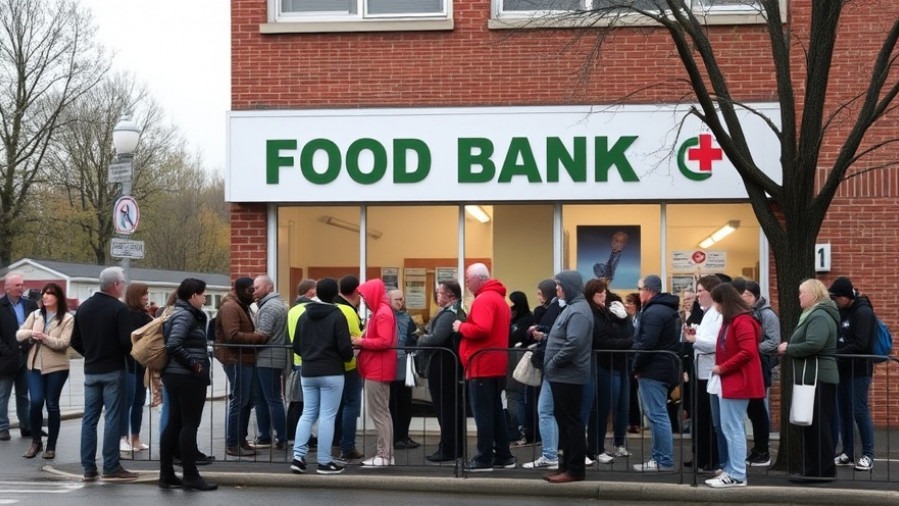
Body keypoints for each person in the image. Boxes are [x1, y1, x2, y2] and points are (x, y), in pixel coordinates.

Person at [70, 267, 137, 481]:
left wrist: (90, 353)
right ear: (115, 284)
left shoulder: (84, 308)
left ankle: (88, 467)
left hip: (91, 370)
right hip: (113, 370)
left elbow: (74, 340)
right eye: (122, 283)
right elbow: (126, 342)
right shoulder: (119, 309)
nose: (123, 286)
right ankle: (111, 466)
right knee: (112, 418)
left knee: (89, 419)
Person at [453, 263, 515, 472]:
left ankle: (484, 458)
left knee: (484, 414)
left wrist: (461, 326)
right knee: (495, 411)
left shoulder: (484, 299)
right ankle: (503, 455)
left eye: (468, 280)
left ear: (479, 279)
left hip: (482, 365)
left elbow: (482, 328)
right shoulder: (498, 299)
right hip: (494, 364)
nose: (467, 285)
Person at [289, 278, 354, 475]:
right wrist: (348, 356)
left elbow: (297, 346)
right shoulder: (337, 315)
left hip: (308, 371)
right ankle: (324, 462)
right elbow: (344, 347)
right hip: (332, 371)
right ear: (335, 294)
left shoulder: (304, 315)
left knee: (308, 413)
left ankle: (298, 457)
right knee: (327, 415)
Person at [777, 278, 839, 482]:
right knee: (813, 425)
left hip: (818, 376)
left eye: (802, 293)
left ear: (813, 294)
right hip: (814, 376)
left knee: (818, 426)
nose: (799, 297)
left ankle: (820, 471)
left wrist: (789, 348)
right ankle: (814, 469)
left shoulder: (819, 315)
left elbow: (814, 344)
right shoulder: (814, 314)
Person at [158, 278, 217, 491]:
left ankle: (167, 474)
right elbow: (174, 343)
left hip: (174, 376)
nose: (204, 299)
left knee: (174, 423)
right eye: (203, 295)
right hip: (187, 377)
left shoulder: (178, 312)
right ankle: (190, 475)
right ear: (193, 295)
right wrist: (194, 365)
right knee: (189, 425)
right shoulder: (185, 315)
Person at [704, 283, 764, 488]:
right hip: (732, 380)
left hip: (737, 381)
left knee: (732, 428)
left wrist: (723, 368)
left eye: (716, 302)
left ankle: (737, 473)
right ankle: (732, 470)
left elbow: (748, 352)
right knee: (730, 427)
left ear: (724, 302)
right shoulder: (736, 321)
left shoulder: (741, 322)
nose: (715, 307)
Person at [543, 271, 593, 483]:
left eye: (559, 285)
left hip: (568, 375)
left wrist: (553, 362)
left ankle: (574, 469)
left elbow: (574, 343)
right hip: (562, 375)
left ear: (569, 286)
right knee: (565, 423)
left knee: (571, 423)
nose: (557, 289)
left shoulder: (579, 311)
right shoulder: (572, 308)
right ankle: (566, 466)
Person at [16, 283, 73, 459]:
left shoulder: (67, 318)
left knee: (52, 405)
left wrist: (44, 337)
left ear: (58, 298)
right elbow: (19, 334)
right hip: (34, 366)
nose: (46, 297)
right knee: (36, 402)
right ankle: (36, 442)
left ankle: (51, 446)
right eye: (44, 294)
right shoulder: (35, 315)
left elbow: (63, 344)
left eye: (50, 294)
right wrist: (32, 333)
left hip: (57, 367)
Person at [631, 275, 680, 472]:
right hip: (662, 367)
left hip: (653, 369)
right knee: (657, 414)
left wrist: (636, 366)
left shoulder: (653, 312)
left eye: (640, 288)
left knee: (657, 415)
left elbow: (647, 343)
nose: (638, 292)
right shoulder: (667, 310)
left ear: (649, 290)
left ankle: (663, 459)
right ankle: (660, 458)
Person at [215, 277, 267, 457]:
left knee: (247, 400)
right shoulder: (231, 307)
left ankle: (241, 439)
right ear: (241, 290)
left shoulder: (240, 305)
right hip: (236, 358)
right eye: (250, 291)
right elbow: (232, 335)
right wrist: (258, 337)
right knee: (239, 400)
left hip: (244, 358)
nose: (253, 294)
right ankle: (233, 443)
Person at [828, 277, 876, 472]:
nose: (835, 300)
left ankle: (868, 454)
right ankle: (847, 452)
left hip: (859, 370)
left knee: (859, 411)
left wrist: (836, 353)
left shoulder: (863, 313)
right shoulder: (842, 310)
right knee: (844, 412)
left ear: (847, 296)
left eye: (837, 297)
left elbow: (861, 344)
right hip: (843, 369)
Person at [418, 280, 466, 462]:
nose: (437, 296)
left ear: (450, 296)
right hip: (447, 365)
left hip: (444, 365)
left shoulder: (449, 314)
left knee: (445, 409)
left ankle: (448, 449)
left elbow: (437, 338)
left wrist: (422, 339)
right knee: (450, 408)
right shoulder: (455, 311)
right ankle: (454, 447)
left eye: (439, 293)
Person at [586, 279, 633, 464]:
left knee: (605, 408)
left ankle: (598, 448)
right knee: (600, 408)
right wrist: (629, 342)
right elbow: (602, 340)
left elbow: (616, 335)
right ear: (591, 294)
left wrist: (624, 319)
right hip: (601, 365)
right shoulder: (592, 313)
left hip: (611, 364)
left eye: (604, 292)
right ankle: (594, 448)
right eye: (599, 293)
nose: (603, 295)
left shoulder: (604, 312)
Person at [354, 278, 397, 467]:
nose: (363, 300)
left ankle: (384, 455)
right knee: (382, 413)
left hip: (377, 369)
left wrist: (360, 341)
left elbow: (384, 341)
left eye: (365, 296)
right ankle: (386, 454)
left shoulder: (382, 313)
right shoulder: (381, 312)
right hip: (377, 367)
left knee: (380, 414)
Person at [681, 275, 722, 474]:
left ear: (711, 292)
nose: (697, 295)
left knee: (708, 419)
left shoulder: (717, 313)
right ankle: (703, 457)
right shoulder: (707, 313)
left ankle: (711, 459)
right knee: (701, 418)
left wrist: (693, 339)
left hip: (711, 372)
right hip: (702, 371)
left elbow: (716, 344)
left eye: (700, 291)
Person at [523, 279, 564, 469]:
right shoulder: (564, 308)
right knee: (551, 411)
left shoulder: (559, 309)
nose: (539, 298)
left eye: (540, 293)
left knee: (546, 411)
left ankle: (550, 455)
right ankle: (552, 453)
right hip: (557, 365)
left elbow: (559, 336)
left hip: (554, 364)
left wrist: (543, 335)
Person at [742, 280, 780, 467]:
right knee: (751, 410)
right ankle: (757, 449)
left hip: (760, 365)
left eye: (748, 295)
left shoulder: (767, 314)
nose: (744, 298)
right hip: (748, 366)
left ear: (756, 296)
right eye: (742, 295)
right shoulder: (744, 313)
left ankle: (762, 451)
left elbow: (773, 342)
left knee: (757, 409)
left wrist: (751, 349)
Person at [251, 274, 290, 450]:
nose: (254, 291)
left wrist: (245, 341)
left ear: (268, 288)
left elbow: (262, 335)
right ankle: (266, 435)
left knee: (272, 398)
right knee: (265, 398)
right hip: (271, 357)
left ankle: (280, 437)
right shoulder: (275, 304)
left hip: (268, 358)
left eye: (257, 287)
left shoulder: (269, 307)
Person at [0, 273, 38, 441]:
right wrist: (6, 351)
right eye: (17, 285)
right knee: (3, 395)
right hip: (5, 359)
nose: (21, 288)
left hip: (25, 356)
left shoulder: (29, 305)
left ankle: (26, 426)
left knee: (23, 395)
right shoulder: (1, 306)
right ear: (7, 287)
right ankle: (2, 428)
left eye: (22, 284)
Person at [334, 275, 364, 461]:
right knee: (351, 404)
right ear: (356, 292)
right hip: (349, 365)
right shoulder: (348, 311)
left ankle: (335, 442)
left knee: (335, 406)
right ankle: (348, 446)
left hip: (331, 365)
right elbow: (356, 338)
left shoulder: (332, 306)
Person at [121, 283, 153, 453]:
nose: (147, 297)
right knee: (128, 401)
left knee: (139, 402)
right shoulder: (127, 314)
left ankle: (135, 438)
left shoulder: (145, 315)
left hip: (142, 365)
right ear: (135, 296)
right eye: (144, 294)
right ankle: (123, 437)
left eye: (147, 294)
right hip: (130, 364)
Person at [388, 289, 420, 450]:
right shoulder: (385, 316)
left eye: (402, 299)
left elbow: (413, 336)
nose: (400, 302)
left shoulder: (406, 318)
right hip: (390, 364)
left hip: (405, 363)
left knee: (405, 402)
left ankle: (403, 435)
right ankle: (395, 436)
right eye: (397, 300)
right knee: (393, 402)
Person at [507, 290, 534, 443]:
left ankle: (520, 429)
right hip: (511, 363)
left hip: (520, 363)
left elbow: (513, 338)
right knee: (513, 395)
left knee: (517, 396)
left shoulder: (527, 319)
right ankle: (515, 428)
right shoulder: (513, 320)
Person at [624, 292, 642, 434]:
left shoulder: (640, 318)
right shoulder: (626, 319)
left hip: (637, 358)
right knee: (630, 391)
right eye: (626, 302)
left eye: (630, 302)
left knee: (634, 392)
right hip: (629, 359)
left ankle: (635, 421)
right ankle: (632, 421)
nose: (627, 305)